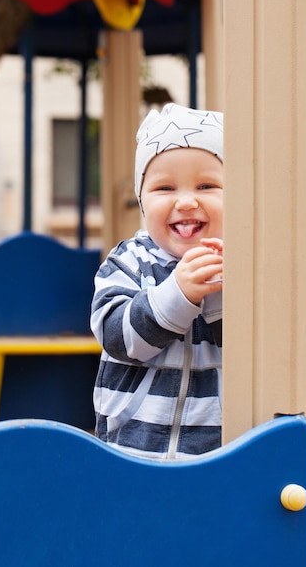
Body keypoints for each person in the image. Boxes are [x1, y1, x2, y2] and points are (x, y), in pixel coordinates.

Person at [91, 103, 223, 460]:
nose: (186, 200)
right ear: (143, 201)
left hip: (216, 450)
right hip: (132, 445)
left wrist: (219, 294)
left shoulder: (243, 267)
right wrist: (178, 295)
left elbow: (250, 349)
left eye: (207, 185)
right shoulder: (128, 261)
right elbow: (116, 337)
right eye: (164, 188)